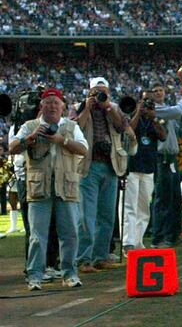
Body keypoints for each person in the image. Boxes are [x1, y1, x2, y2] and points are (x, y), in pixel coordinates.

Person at [9, 88, 88, 290]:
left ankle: (70, 274)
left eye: (56, 103)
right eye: (48, 103)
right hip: (39, 187)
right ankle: (35, 275)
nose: (52, 106)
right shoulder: (30, 126)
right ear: (41, 106)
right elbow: (12, 147)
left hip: (66, 186)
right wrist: (30, 138)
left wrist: (63, 140)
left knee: (70, 233)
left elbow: (83, 149)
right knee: (37, 235)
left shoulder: (71, 126)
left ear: (62, 107)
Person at [73, 77, 133, 272]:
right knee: (86, 216)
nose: (100, 96)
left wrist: (108, 107)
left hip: (111, 165)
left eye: (104, 92)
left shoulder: (113, 108)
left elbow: (123, 127)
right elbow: (75, 128)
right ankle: (83, 259)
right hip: (88, 166)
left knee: (107, 215)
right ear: (89, 93)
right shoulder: (79, 107)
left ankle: (101, 256)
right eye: (96, 92)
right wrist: (87, 108)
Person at [122, 92, 167, 254]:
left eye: (150, 106)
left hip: (148, 168)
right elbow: (129, 132)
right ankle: (127, 242)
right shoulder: (130, 118)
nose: (147, 108)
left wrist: (154, 118)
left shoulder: (153, 122)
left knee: (143, 207)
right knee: (129, 206)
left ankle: (138, 241)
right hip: (132, 167)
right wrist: (138, 113)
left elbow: (163, 136)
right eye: (144, 104)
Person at [150, 81, 182, 248]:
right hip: (162, 158)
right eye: (155, 91)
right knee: (162, 199)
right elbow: (178, 111)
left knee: (174, 198)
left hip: (171, 158)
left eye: (160, 90)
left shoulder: (165, 109)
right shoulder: (155, 110)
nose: (158, 93)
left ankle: (173, 234)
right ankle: (159, 236)